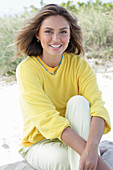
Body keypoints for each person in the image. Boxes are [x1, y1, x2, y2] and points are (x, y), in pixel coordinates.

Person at [15, 4, 111, 170]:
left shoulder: (79, 65)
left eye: (63, 31)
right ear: (37, 34)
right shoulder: (27, 69)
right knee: (72, 160)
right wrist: (92, 155)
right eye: (48, 31)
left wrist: (92, 148)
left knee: (79, 102)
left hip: (75, 138)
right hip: (39, 144)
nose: (56, 38)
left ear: (70, 34)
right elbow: (47, 119)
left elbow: (98, 108)